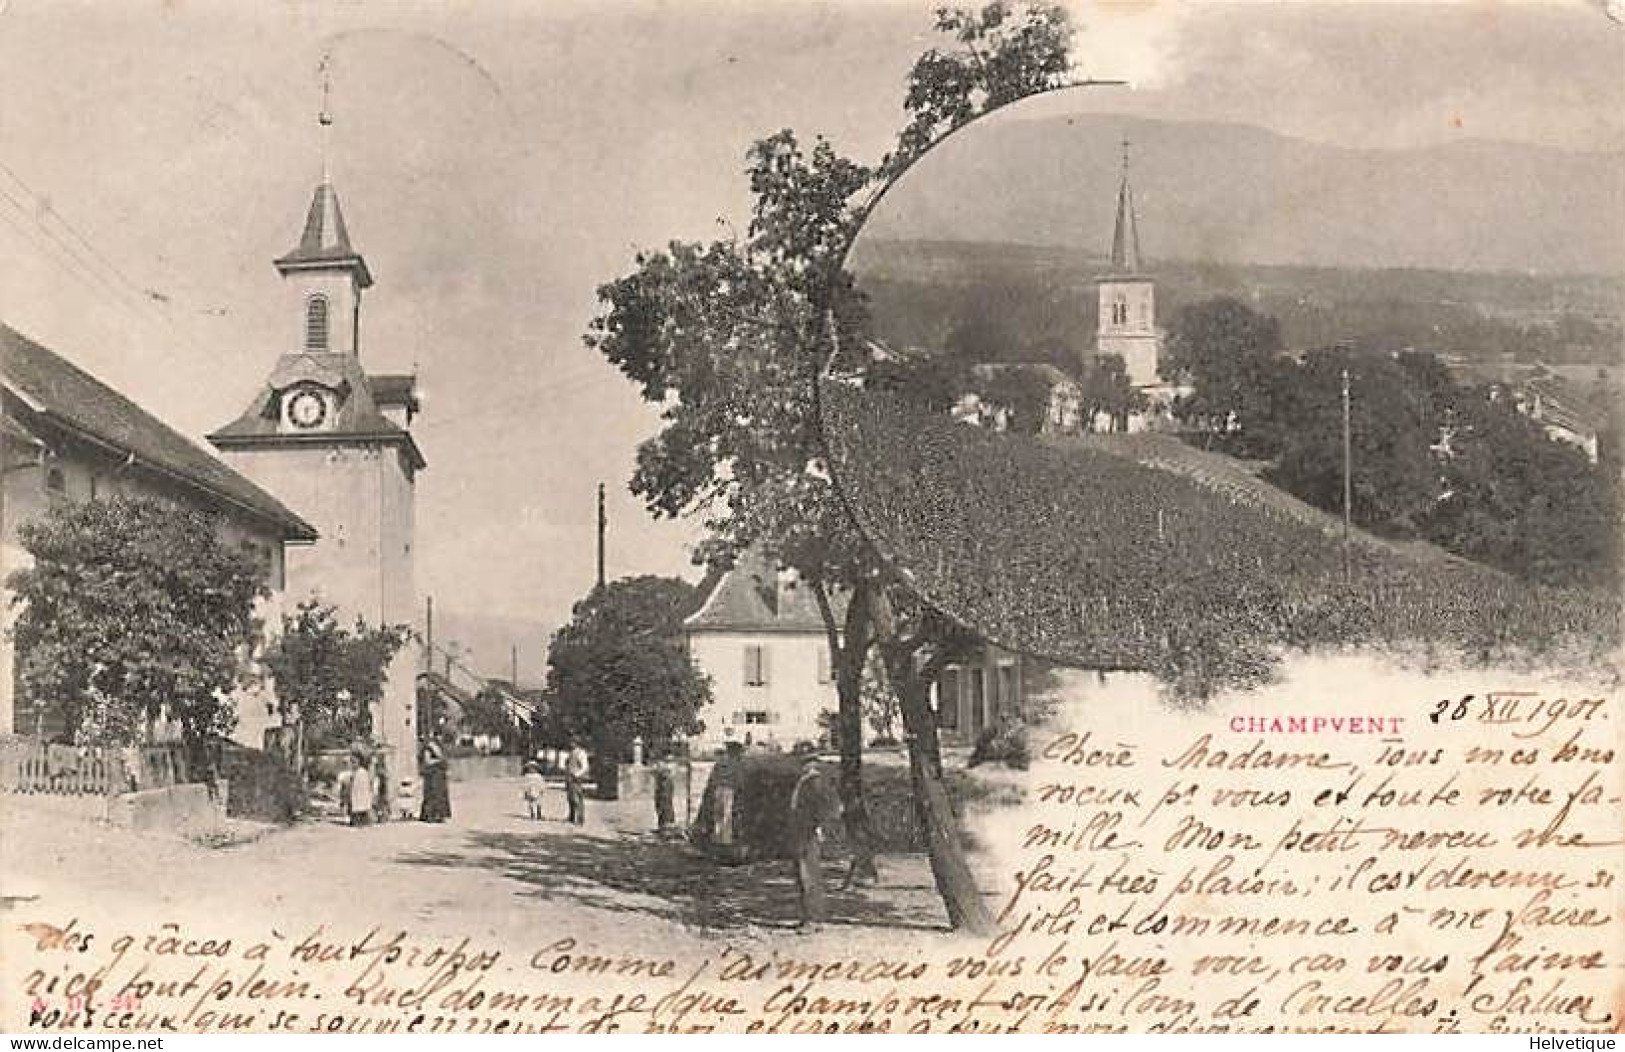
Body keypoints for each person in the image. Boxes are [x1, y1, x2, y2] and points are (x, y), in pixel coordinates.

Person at [788, 743, 842, 931]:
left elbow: (827, 809)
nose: (804, 765)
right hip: (802, 832)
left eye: (807, 761)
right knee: (805, 874)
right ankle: (811, 917)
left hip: (808, 833)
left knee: (808, 874)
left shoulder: (815, 782)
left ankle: (813, 919)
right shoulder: (806, 781)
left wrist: (819, 827)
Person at [711, 738, 744, 852]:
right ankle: (725, 841)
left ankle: (717, 838)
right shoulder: (736, 763)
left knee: (718, 815)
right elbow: (739, 779)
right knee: (726, 816)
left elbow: (713, 777)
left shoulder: (720, 762)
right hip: (729, 790)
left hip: (718, 789)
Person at [419, 738, 451, 823]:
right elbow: (427, 761)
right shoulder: (428, 748)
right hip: (432, 775)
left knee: (441, 795)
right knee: (432, 794)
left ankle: (440, 815)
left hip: (439, 775)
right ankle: (430, 815)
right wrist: (439, 760)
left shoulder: (439, 746)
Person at [652, 750, 678, 837]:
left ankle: (668, 827)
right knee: (659, 804)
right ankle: (662, 826)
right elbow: (655, 772)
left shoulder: (670, 766)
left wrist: (661, 769)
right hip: (660, 786)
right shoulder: (661, 764)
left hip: (666, 785)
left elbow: (666, 774)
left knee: (666, 804)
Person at [564, 739, 590, 826]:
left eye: (573, 742)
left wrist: (577, 774)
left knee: (577, 799)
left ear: (577, 743)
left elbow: (585, 767)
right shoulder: (571, 753)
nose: (571, 744)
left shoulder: (581, 753)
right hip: (569, 778)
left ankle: (580, 819)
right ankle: (571, 817)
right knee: (570, 798)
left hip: (575, 779)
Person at [346, 753, 375, 827]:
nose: (352, 765)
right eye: (352, 763)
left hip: (362, 794)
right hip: (357, 794)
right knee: (357, 808)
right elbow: (351, 784)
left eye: (353, 763)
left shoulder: (362, 772)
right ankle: (357, 822)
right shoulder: (354, 773)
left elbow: (368, 783)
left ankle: (364, 821)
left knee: (362, 808)